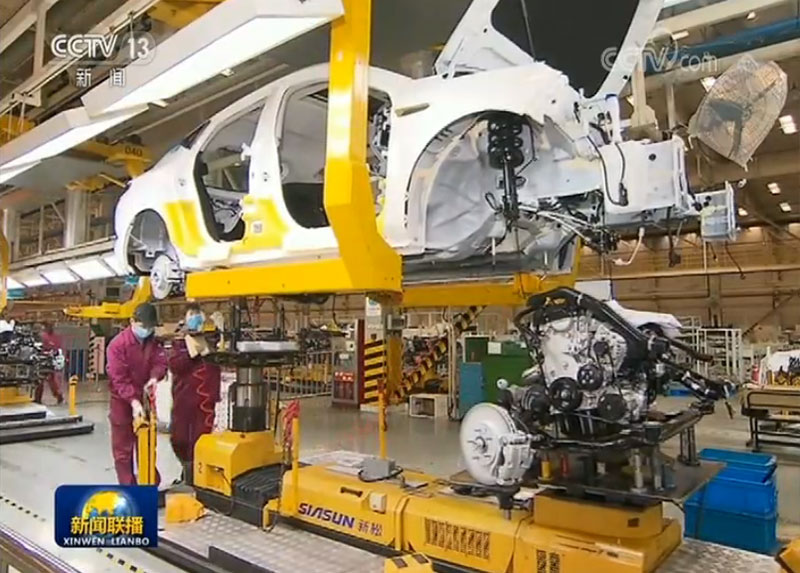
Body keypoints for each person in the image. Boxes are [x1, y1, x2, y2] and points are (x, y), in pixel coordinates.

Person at [106, 302, 167, 485]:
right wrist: (133, 401)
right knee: (123, 451)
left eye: (150, 327)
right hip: (121, 402)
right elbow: (119, 378)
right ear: (132, 321)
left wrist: (154, 378)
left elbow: (161, 362)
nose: (146, 330)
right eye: (143, 326)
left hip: (145, 398)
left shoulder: (153, 342)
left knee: (147, 443)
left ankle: (150, 483)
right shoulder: (117, 345)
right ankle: (129, 488)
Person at [168, 303, 221, 483]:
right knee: (180, 438)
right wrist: (190, 354)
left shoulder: (212, 340)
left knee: (202, 439)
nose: (195, 317)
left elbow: (220, 357)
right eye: (191, 314)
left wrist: (215, 340)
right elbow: (175, 365)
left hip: (205, 403)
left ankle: (196, 476)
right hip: (183, 401)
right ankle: (187, 472)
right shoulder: (179, 343)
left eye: (198, 313)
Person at [36, 322, 65, 405]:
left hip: (49, 360)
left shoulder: (49, 337)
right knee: (42, 381)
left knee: (50, 381)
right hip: (43, 359)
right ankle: (38, 398)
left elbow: (56, 347)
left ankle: (58, 396)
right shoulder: (43, 336)